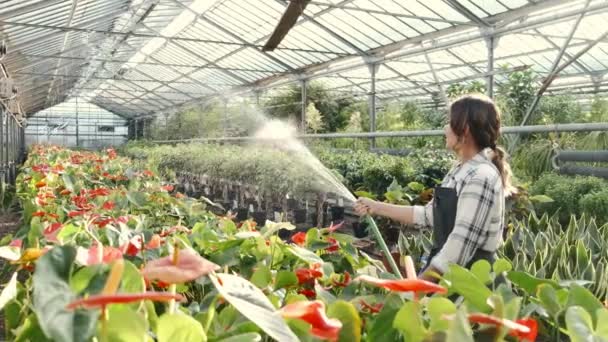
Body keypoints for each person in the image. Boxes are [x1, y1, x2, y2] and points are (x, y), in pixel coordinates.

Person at [354, 94, 515, 282]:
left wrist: (418, 286)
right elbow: (428, 215)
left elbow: (460, 243)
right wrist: (377, 207)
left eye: (449, 122)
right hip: (449, 275)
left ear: (464, 129)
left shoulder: (481, 176)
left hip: (472, 282)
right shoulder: (460, 170)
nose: (445, 128)